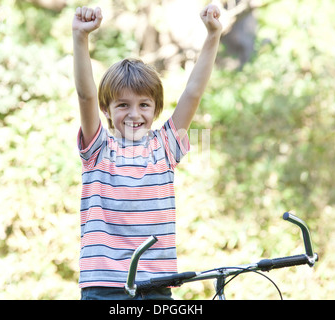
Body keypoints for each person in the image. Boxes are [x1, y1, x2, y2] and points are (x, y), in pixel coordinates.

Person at [72, 3, 222, 300]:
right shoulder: (98, 148)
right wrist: (80, 37)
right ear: (106, 109)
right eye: (122, 105)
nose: (134, 114)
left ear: (155, 109)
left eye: (143, 104)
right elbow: (85, 94)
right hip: (105, 284)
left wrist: (213, 35)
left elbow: (193, 92)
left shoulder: (165, 146)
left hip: (157, 282)